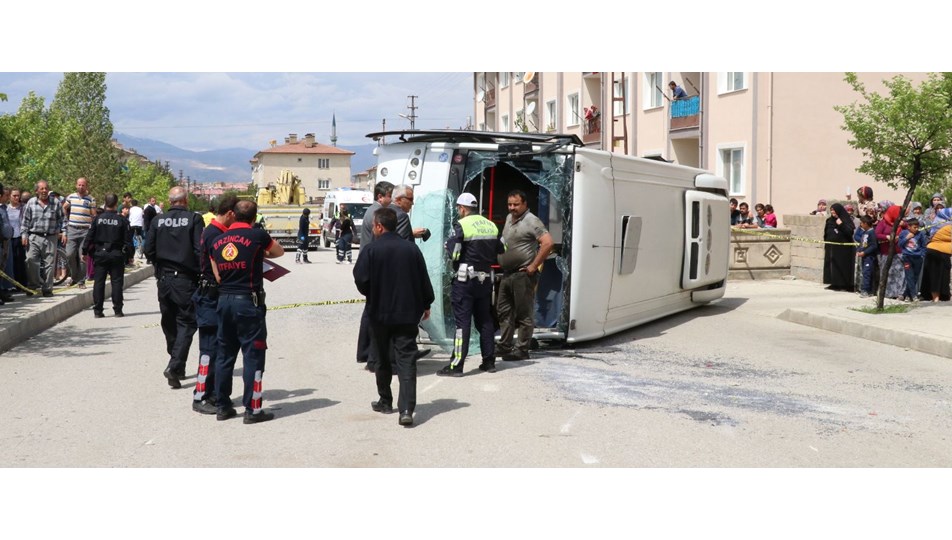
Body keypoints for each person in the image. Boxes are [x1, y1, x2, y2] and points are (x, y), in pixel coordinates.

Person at [353, 207, 434, 427]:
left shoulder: (371, 250)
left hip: (379, 313)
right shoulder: (411, 249)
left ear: (379, 226)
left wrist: (372, 293)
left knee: (381, 357)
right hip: (408, 314)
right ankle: (406, 409)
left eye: (374, 226)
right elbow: (423, 279)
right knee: (407, 358)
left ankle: (385, 401)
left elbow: (360, 279)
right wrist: (426, 303)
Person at [209, 199, 284, 424]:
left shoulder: (217, 240)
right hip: (248, 303)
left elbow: (218, 276)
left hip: (223, 302)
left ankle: (222, 406)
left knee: (224, 355)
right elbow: (278, 252)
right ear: (254, 217)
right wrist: (261, 254)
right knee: (253, 355)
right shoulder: (258, 236)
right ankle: (253, 409)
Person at [437, 192, 505, 376]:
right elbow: (502, 248)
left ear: (462, 208)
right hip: (485, 281)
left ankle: (456, 366)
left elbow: (455, 254)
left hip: (465, 281)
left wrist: (448, 246)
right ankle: (489, 362)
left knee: (462, 324)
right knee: (485, 321)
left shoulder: (462, 225)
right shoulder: (490, 225)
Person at [144, 186, 203, 390]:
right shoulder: (194, 219)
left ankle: (177, 364)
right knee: (186, 323)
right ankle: (175, 364)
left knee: (169, 322)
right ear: (185, 200)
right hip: (186, 279)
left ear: (170, 201)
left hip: (164, 279)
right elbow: (199, 250)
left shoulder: (157, 221)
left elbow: (147, 249)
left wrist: (159, 266)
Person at [190, 195, 238, 415]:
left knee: (217, 349)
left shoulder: (214, 231)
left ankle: (213, 393)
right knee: (208, 351)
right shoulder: (215, 234)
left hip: (213, 297)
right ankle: (200, 395)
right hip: (210, 298)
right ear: (229, 213)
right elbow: (218, 269)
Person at [496, 189, 554, 361]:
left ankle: (522, 349)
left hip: (522, 275)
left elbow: (548, 243)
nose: (512, 208)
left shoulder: (532, 221)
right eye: (509, 204)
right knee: (503, 311)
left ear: (525, 204)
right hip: (507, 274)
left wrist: (533, 266)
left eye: (516, 204)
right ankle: (505, 346)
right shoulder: (509, 218)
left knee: (523, 313)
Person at [356, 180, 394, 370]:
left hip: (368, 263)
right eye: (389, 195)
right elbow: (375, 243)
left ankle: (364, 351)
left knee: (369, 311)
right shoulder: (376, 214)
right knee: (372, 313)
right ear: (380, 196)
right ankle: (370, 354)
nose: (391, 198)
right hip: (372, 265)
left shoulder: (372, 210)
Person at [81, 193, 132, 317]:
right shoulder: (122, 220)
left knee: (99, 282)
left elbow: (89, 236)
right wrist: (130, 255)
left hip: (100, 253)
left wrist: (84, 251)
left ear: (105, 202)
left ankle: (98, 311)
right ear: (116, 204)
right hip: (116, 253)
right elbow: (128, 240)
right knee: (117, 282)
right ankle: (118, 310)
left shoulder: (98, 219)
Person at [20, 180, 65, 297]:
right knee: (30, 260)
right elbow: (25, 221)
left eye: (46, 188)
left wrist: (64, 232)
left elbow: (63, 220)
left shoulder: (55, 203)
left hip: (50, 237)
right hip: (34, 236)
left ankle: (47, 289)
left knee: (49, 264)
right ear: (36, 191)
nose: (44, 191)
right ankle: (33, 285)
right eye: (41, 189)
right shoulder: (31, 203)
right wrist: (24, 235)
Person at [63, 177, 96, 289]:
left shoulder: (91, 199)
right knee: (69, 254)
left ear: (86, 186)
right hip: (72, 229)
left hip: (85, 230)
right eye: (79, 185)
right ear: (76, 185)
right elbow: (64, 208)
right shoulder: (71, 197)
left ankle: (81, 281)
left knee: (83, 256)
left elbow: (94, 215)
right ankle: (74, 276)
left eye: (83, 185)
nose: (81, 187)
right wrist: (66, 220)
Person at [875, 204, 906, 299]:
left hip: (899, 251)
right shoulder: (883, 222)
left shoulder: (901, 222)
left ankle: (900, 293)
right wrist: (887, 237)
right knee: (888, 273)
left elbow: (910, 229)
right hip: (886, 252)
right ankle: (888, 293)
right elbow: (877, 234)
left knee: (900, 273)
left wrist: (904, 225)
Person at [823, 203, 855, 292]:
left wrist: (841, 224)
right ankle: (834, 284)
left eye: (834, 210)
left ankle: (844, 285)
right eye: (831, 210)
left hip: (843, 249)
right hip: (831, 247)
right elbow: (826, 232)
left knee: (842, 266)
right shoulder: (829, 220)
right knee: (832, 266)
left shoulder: (846, 220)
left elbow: (849, 232)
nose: (833, 212)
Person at [922, 208, 951, 302]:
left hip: (935, 251)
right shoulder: (948, 226)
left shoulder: (938, 224)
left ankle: (937, 298)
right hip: (939, 253)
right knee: (939, 277)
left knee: (936, 276)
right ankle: (937, 298)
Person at [898, 216, 926, 302]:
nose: (916, 229)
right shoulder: (903, 233)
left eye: (917, 227)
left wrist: (922, 254)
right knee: (909, 276)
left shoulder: (920, 234)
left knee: (915, 277)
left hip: (917, 258)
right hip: (907, 257)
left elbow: (923, 246)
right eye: (914, 227)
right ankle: (913, 296)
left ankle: (905, 294)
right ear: (909, 227)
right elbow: (900, 244)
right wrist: (907, 238)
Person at [6, 189, 27, 295]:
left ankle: (22, 284)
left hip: (20, 237)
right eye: (14, 195)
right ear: (9, 196)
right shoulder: (6, 208)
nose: (16, 198)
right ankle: (12, 285)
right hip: (9, 239)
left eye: (18, 196)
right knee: (11, 263)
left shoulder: (23, 208)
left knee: (21, 262)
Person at [855, 215, 878, 298]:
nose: (860, 225)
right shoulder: (865, 233)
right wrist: (858, 250)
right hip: (864, 257)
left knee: (867, 273)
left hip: (869, 257)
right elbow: (862, 243)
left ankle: (866, 290)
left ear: (866, 223)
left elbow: (873, 246)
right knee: (865, 273)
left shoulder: (872, 233)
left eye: (861, 223)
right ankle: (868, 290)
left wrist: (865, 252)